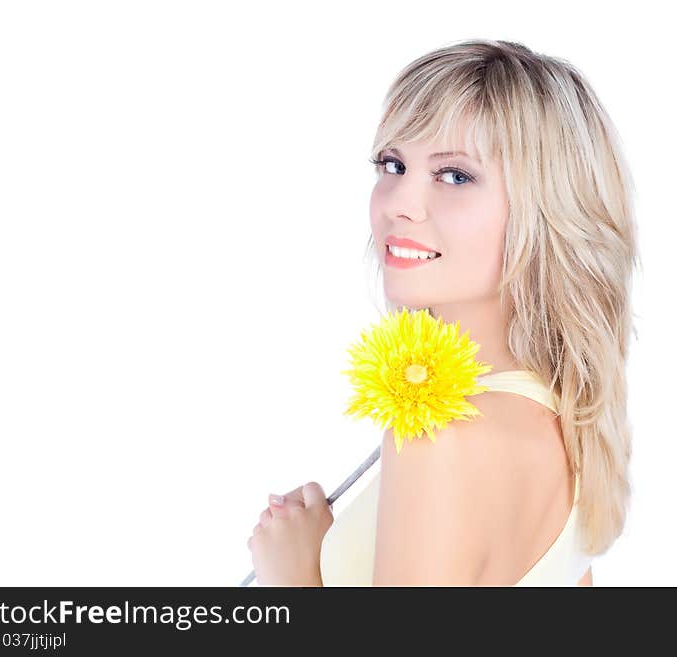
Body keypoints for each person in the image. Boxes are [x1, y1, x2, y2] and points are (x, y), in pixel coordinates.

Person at [248, 38, 638, 587]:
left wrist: (292, 573)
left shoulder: (441, 434)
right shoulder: (568, 427)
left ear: (547, 209)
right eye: (392, 163)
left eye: (454, 175)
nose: (398, 202)